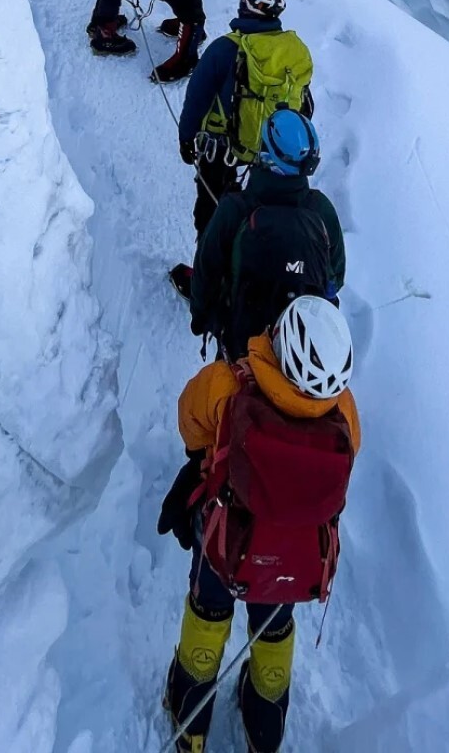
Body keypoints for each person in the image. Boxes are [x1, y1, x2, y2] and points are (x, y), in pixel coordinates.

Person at [158, 296, 359, 753]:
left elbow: (189, 419)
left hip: (226, 544)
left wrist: (211, 456)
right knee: (274, 625)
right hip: (295, 558)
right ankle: (264, 725)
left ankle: (191, 725)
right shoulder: (344, 414)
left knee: (208, 614)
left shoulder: (229, 385)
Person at [187, 108, 345, 359]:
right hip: (303, 352)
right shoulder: (321, 211)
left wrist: (202, 319)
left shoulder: (235, 210)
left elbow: (206, 272)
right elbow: (335, 278)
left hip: (242, 345)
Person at [171, 0, 314, 243]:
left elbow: (196, 99)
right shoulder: (295, 51)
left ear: (244, 2)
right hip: (271, 152)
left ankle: (206, 276)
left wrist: (186, 138)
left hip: (220, 149)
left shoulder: (224, 49)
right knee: (255, 213)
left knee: (211, 211)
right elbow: (305, 104)